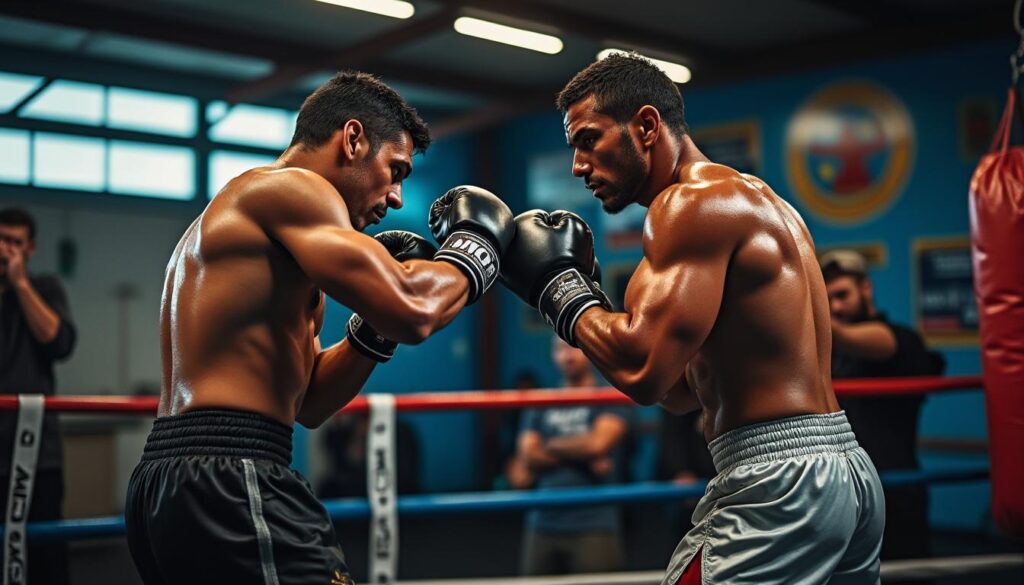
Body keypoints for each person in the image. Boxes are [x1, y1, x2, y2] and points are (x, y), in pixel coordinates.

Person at [499, 52, 885, 584]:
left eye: (589, 140)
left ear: (647, 126)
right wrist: (592, 301)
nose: (578, 166)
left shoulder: (689, 207)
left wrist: (556, 291)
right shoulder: (761, 202)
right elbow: (679, 392)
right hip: (844, 471)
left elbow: (643, 372)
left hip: (780, 481)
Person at [124, 71, 515, 585]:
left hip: (181, 478)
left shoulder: (273, 237)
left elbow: (309, 402)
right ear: (352, 140)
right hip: (231, 474)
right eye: (394, 170)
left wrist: (374, 329)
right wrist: (478, 248)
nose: (397, 197)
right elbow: (416, 309)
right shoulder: (291, 190)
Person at [822, 249, 944, 561]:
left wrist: (809, 314)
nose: (835, 307)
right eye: (827, 300)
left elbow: (874, 341)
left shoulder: (902, 339)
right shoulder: (831, 356)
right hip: (841, 497)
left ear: (866, 288)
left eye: (842, 295)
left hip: (894, 492)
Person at [0, 207, 76, 585]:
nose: (6, 250)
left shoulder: (45, 288)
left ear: (30, 248)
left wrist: (20, 285)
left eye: (15, 242)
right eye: (1, 240)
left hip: (35, 453)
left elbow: (59, 342)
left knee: (46, 554)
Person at [516, 337, 629, 576]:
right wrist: (581, 451)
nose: (567, 356)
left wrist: (548, 445)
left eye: (573, 348)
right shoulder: (542, 400)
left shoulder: (609, 396)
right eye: (560, 349)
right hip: (543, 520)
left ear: (589, 351)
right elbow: (527, 457)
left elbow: (598, 444)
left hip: (593, 522)